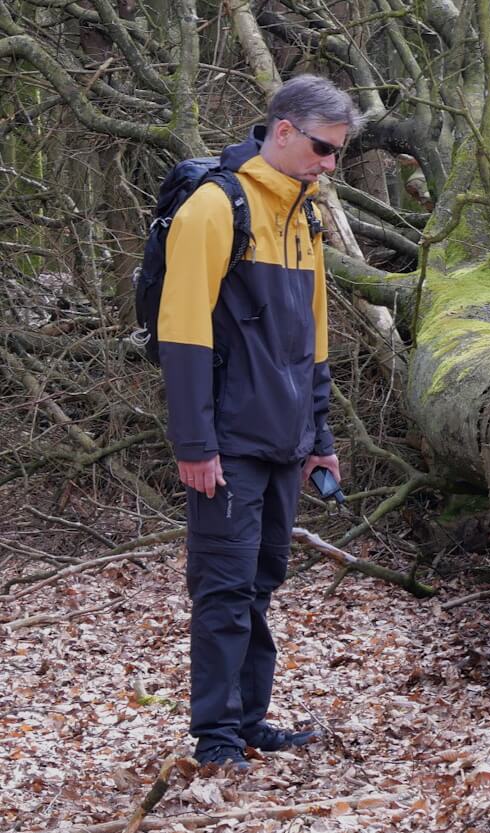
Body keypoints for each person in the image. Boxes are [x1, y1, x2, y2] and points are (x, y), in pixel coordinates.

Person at [157, 75, 362, 769]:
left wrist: (321, 439)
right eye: (323, 148)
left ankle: (247, 719)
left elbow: (315, 338)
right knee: (224, 585)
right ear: (282, 130)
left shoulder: (302, 214)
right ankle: (215, 735)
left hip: (284, 440)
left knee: (264, 576)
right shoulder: (216, 209)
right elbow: (182, 333)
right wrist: (194, 444)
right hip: (226, 445)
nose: (330, 164)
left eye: (337, 153)